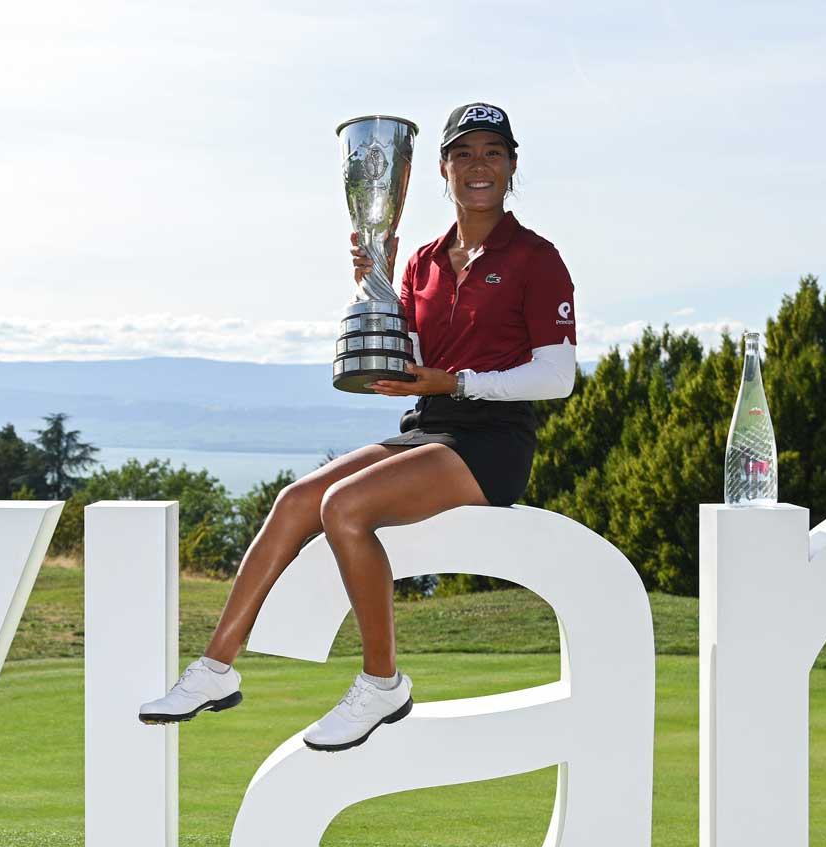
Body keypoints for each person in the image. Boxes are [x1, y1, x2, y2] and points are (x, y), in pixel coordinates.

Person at [137, 102, 578, 751]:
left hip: (494, 440)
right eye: (464, 154)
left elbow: (556, 374)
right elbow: (409, 359)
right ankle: (215, 669)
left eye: (491, 153)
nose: (477, 166)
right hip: (427, 425)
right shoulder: (423, 260)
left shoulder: (537, 258)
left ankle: (382, 683)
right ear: (441, 168)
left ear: (511, 166)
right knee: (295, 503)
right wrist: (375, 281)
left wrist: (456, 382)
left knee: (345, 509)